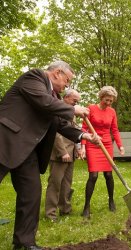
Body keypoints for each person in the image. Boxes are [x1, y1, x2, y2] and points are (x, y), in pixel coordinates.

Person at [0, 61, 100, 250]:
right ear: (57, 73)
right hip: (5, 141)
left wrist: (83, 135)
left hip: (27, 151)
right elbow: (44, 102)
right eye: (67, 80)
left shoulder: (53, 96)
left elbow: (59, 123)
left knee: (31, 193)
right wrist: (73, 109)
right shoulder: (34, 77)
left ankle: (24, 242)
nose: (67, 86)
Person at [81, 86, 125, 218]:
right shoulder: (91, 108)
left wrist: (120, 146)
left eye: (111, 101)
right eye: (106, 100)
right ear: (101, 97)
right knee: (93, 176)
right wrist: (83, 146)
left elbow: (115, 130)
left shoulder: (112, 111)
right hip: (92, 143)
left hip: (106, 144)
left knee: (108, 175)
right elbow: (84, 128)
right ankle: (86, 206)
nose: (108, 103)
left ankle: (111, 201)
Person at [45, 89, 83, 222]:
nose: (75, 103)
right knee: (55, 183)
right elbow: (55, 133)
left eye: (77, 101)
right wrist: (63, 152)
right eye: (74, 100)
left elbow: (74, 131)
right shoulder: (57, 110)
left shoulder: (71, 112)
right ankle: (50, 213)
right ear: (66, 98)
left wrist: (78, 148)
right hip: (60, 153)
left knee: (67, 183)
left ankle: (65, 209)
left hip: (71, 153)